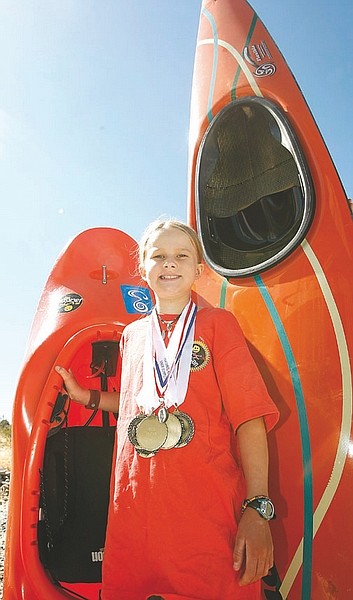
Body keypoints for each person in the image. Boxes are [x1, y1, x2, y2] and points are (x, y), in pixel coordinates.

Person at [55, 218, 279, 600]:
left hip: (205, 513)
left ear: (198, 269)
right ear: (143, 268)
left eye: (181, 256)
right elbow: (134, 406)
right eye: (159, 256)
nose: (170, 264)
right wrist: (87, 398)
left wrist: (258, 508)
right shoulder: (132, 335)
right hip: (134, 514)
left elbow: (249, 417)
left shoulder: (218, 325)